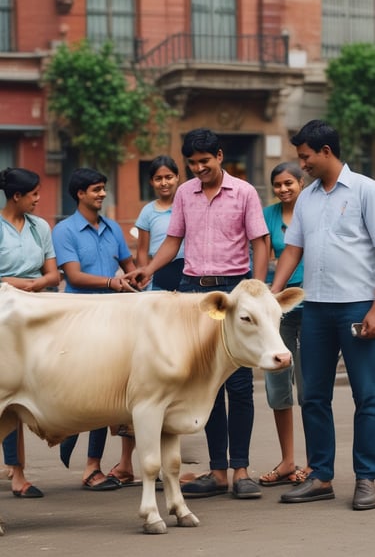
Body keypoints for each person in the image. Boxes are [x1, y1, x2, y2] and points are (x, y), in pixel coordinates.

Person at [126, 128, 269, 499]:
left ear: (220, 156)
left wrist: (256, 291)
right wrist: (149, 269)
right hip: (194, 294)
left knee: (238, 386)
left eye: (204, 162)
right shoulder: (185, 194)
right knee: (207, 386)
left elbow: (260, 242)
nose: (198, 169)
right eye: (192, 164)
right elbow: (173, 241)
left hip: (234, 292)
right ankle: (217, 472)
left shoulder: (245, 192)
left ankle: (241, 470)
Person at [271, 119, 375, 510]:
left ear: (326, 152)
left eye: (305, 156)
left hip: (357, 307)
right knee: (313, 396)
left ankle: (367, 477)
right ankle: (320, 477)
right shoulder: (308, 198)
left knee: (368, 397)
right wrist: (274, 292)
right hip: (313, 309)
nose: (302, 165)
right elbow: (292, 249)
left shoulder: (366, 191)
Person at [52, 167, 138, 491]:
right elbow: (73, 277)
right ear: (80, 194)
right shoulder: (64, 231)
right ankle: (68, 432)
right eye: (97, 189)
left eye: (103, 189)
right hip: (79, 318)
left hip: (115, 318)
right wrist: (112, 282)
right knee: (82, 390)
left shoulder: (114, 228)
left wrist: (138, 278)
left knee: (107, 392)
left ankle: (92, 468)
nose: (102, 194)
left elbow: (130, 269)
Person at [0, 167, 60, 498]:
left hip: (39, 310)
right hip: (5, 315)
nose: (39, 199)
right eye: (34, 194)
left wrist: (32, 284)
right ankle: (18, 473)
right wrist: (31, 284)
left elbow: (53, 275)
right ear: (16, 197)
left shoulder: (40, 227)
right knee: (9, 393)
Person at [258, 162, 306, 486]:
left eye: (289, 183)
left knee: (311, 387)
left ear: (301, 183)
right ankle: (288, 461)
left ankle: (316, 464)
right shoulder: (269, 215)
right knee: (277, 386)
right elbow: (261, 255)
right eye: (277, 184)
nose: (283, 189)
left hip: (315, 306)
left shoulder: (313, 210)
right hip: (279, 308)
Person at [135, 155, 184, 290]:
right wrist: (144, 276)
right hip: (160, 275)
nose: (164, 183)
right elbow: (142, 251)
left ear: (177, 177)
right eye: (158, 179)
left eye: (168, 177)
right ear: (151, 181)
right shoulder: (148, 211)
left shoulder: (187, 206)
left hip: (187, 275)